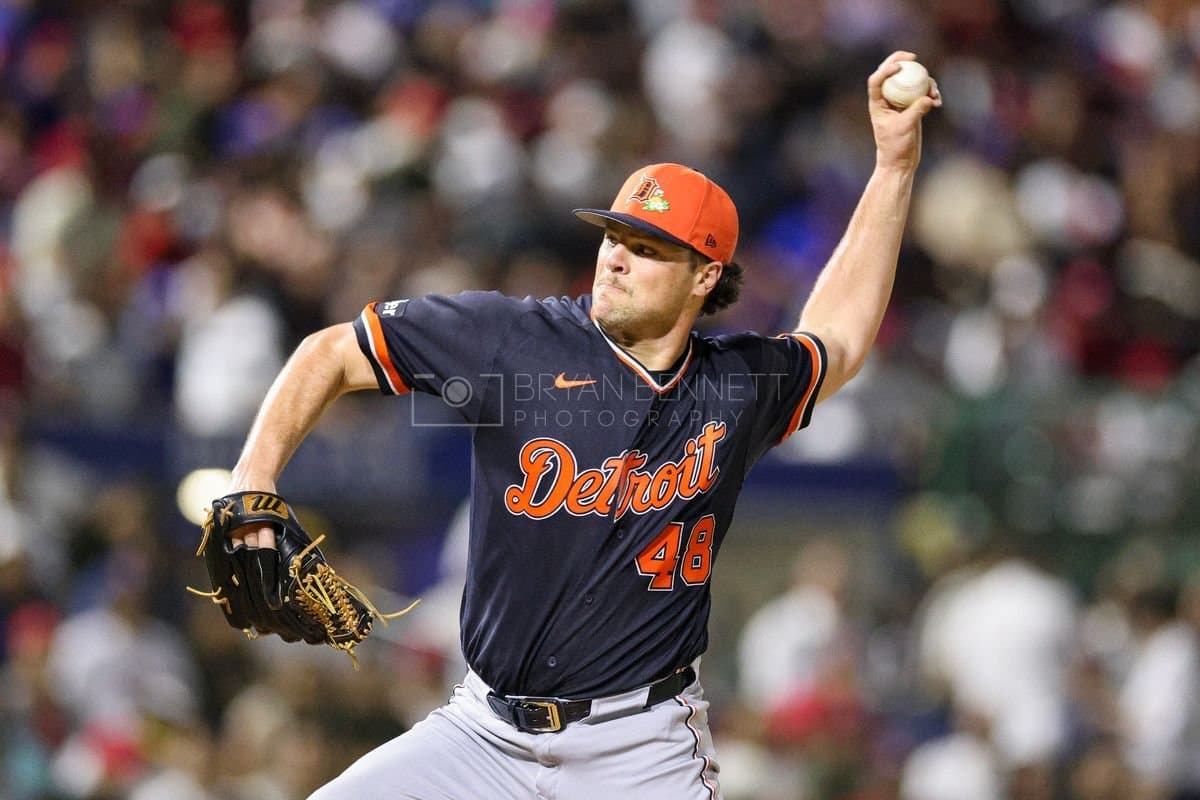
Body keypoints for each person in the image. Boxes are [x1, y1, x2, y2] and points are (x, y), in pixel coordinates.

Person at [224, 52, 940, 800]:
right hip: (483, 734)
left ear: (704, 276)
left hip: (643, 748)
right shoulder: (512, 340)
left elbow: (842, 337)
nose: (617, 260)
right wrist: (254, 478)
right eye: (615, 237)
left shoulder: (738, 386)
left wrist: (892, 165)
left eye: (648, 248)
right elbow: (331, 352)